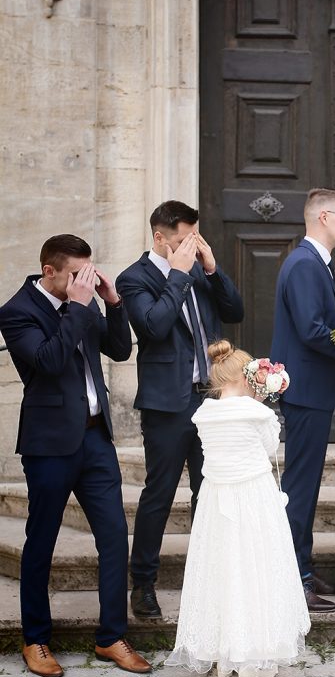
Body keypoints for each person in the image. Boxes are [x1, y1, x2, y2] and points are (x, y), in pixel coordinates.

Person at [0, 235, 151, 677]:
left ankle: (111, 638)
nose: (83, 279)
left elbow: (120, 350)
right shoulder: (17, 311)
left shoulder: (84, 301)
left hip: (95, 439)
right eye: (75, 273)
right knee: (41, 542)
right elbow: (47, 362)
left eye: (88, 270)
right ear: (49, 271)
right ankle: (36, 640)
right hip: (48, 445)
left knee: (112, 537)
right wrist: (78, 307)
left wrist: (113, 302)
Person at [116, 201, 244, 619]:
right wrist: (176, 274)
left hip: (211, 398)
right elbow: (152, 327)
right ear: (159, 237)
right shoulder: (133, 279)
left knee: (212, 490)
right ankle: (144, 585)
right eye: (183, 239)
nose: (190, 245)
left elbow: (235, 312)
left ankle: (216, 577)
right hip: (168, 404)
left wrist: (210, 268)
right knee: (159, 494)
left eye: (194, 237)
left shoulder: (197, 269)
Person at [165, 341, 310, 677]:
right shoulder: (258, 412)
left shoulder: (203, 415)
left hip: (217, 499)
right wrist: (262, 406)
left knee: (224, 569)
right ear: (248, 379)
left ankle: (225, 653)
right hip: (253, 498)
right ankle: (253, 655)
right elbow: (269, 447)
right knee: (255, 568)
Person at [271, 188, 335, 613]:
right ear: (325, 217)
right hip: (307, 390)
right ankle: (294, 576)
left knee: (306, 487)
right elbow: (313, 331)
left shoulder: (315, 264)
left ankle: (303, 566)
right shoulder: (306, 265)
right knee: (300, 487)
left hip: (313, 389)